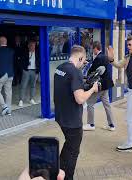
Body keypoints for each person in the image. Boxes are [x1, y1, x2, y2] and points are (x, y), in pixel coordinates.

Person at [54, 45, 99, 179]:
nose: (83, 64)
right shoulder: (75, 72)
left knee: (68, 146)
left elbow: (67, 87)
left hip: (61, 116)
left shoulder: (60, 68)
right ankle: (67, 177)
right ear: (80, 57)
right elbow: (79, 99)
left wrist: (83, 85)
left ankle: (57, 171)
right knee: (73, 151)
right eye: (83, 60)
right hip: (72, 120)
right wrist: (92, 89)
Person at [83, 41, 115, 131]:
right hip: (106, 85)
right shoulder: (104, 56)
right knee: (107, 105)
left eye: (92, 49)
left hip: (100, 85)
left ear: (95, 48)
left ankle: (90, 124)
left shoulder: (98, 58)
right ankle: (111, 125)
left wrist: (86, 67)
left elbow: (92, 71)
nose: (92, 51)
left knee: (90, 103)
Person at [0, 36, 15, 116]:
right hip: (10, 74)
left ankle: (4, 107)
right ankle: (9, 111)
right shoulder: (11, 51)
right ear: (6, 42)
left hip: (0, 75)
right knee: (8, 92)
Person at [18, 40, 40, 107]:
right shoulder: (25, 52)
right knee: (23, 86)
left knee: (33, 86)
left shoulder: (37, 53)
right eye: (31, 45)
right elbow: (20, 61)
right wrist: (23, 68)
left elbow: (40, 61)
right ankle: (21, 100)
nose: (32, 47)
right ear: (28, 46)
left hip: (34, 71)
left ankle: (31, 99)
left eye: (33, 45)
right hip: (26, 71)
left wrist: (38, 70)